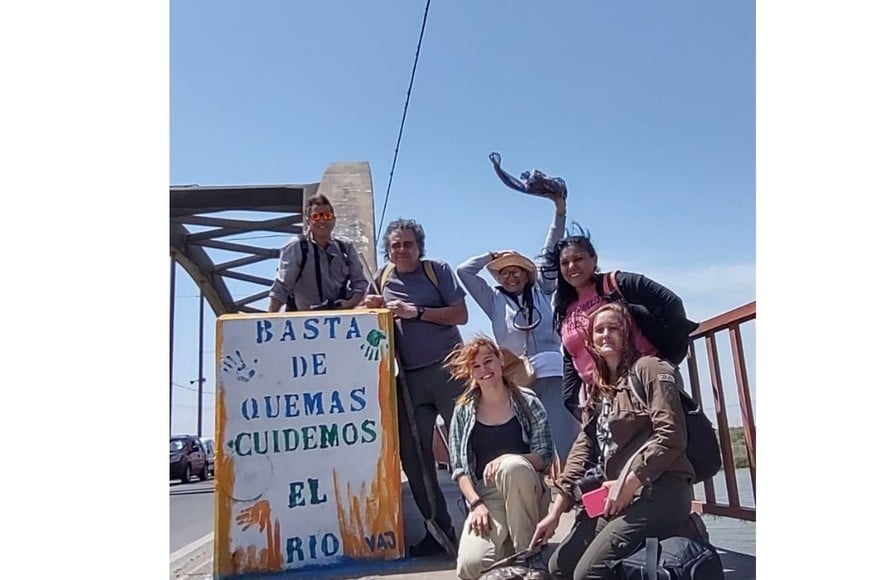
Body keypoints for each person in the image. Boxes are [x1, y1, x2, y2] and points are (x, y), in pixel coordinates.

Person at [530, 303, 695, 579]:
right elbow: (583, 449)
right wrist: (556, 512)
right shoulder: (599, 386)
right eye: (599, 330)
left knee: (588, 574)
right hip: (616, 496)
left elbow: (671, 436)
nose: (606, 334)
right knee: (559, 567)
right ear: (590, 340)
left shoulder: (650, 369)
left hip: (659, 489)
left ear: (627, 334)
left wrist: (630, 481)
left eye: (614, 328)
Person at [361, 217, 468, 557]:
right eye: (395, 245)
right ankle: (438, 531)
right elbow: (366, 322)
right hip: (409, 379)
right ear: (387, 250)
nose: (402, 250)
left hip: (451, 371)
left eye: (408, 244)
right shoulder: (382, 279)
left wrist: (415, 312)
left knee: (470, 449)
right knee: (414, 457)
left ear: (419, 246)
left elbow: (459, 315)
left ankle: (487, 525)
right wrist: (370, 310)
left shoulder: (438, 271)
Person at [456, 193, 578, 466]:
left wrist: (560, 212)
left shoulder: (542, 290)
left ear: (526, 273)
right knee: (529, 440)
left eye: (516, 271)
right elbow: (464, 272)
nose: (511, 277)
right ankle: (537, 492)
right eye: (504, 273)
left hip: (553, 373)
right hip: (518, 379)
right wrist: (491, 256)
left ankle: (575, 492)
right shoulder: (493, 300)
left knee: (564, 436)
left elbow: (551, 250)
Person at [538, 229, 693, 421]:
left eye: (578, 258)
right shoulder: (564, 308)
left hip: (645, 382)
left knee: (669, 443)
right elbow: (571, 355)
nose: (572, 266)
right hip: (604, 395)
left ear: (594, 260)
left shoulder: (616, 283)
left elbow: (672, 303)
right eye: (565, 263)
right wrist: (570, 400)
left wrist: (667, 360)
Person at [444, 336, 554, 580]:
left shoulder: (527, 401)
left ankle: (528, 556)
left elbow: (545, 456)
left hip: (526, 487)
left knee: (512, 466)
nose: (484, 369)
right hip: (487, 496)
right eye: (476, 366)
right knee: (471, 567)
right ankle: (506, 547)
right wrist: (475, 504)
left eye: (488, 360)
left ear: (500, 359)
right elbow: (459, 469)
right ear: (470, 372)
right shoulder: (463, 410)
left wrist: (508, 458)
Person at [267, 194, 367, 312]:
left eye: (327, 216)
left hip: (339, 320)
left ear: (334, 220)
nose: (322, 220)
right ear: (308, 220)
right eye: (316, 216)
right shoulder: (297, 246)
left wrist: (350, 303)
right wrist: (269, 321)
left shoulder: (345, 247)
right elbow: (282, 287)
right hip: (305, 320)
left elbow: (360, 283)